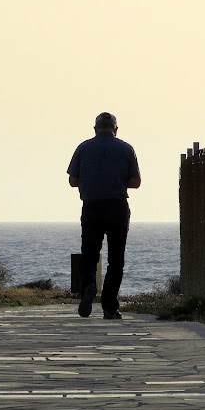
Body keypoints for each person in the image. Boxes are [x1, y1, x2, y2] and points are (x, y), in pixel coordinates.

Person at [67, 111, 141, 319]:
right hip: (117, 207)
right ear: (115, 129)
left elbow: (73, 180)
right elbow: (136, 182)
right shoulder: (126, 148)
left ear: (95, 129)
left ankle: (89, 286)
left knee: (89, 255)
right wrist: (117, 181)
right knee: (116, 259)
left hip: (92, 207)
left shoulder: (83, 148)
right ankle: (109, 306)